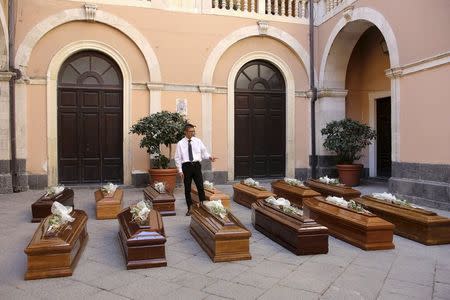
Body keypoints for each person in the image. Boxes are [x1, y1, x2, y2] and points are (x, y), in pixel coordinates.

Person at [174, 124, 217, 216]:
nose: (192, 133)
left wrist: (210, 157)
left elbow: (204, 152)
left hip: (196, 166)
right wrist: (180, 170)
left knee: (200, 187)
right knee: (187, 188)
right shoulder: (180, 143)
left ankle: (203, 206)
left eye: (193, 131)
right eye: (190, 131)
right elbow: (177, 158)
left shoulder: (198, 141)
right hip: (186, 167)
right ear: (185, 132)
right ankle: (190, 208)